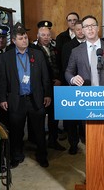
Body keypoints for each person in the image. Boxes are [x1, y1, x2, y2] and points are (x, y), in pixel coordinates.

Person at [65, 15, 104, 185]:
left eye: (93, 25)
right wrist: (72, 79)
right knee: (90, 140)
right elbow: (68, 72)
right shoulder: (76, 51)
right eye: (86, 27)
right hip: (87, 101)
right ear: (82, 30)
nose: (90, 29)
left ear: (97, 28)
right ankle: (92, 172)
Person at [0, 23, 52, 168]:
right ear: (14, 41)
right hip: (16, 99)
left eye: (26, 37)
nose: (24, 40)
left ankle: (42, 156)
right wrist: (2, 98)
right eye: (21, 38)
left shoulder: (37, 54)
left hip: (36, 98)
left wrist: (47, 94)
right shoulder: (6, 57)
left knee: (39, 131)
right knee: (16, 131)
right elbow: (2, 79)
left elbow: (45, 77)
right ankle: (16, 156)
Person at [32, 20, 66, 151]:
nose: (46, 37)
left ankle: (53, 140)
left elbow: (61, 65)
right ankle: (40, 144)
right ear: (38, 36)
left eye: (48, 35)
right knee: (40, 117)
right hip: (41, 89)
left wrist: (59, 80)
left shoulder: (55, 49)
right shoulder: (33, 50)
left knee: (54, 116)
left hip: (56, 86)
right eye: (43, 35)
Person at [62, 19, 86, 155]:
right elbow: (66, 68)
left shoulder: (91, 45)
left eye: (82, 29)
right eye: (78, 29)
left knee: (86, 116)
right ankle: (73, 143)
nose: (80, 31)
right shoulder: (68, 46)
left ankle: (85, 138)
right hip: (71, 87)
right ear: (74, 31)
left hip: (87, 87)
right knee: (71, 119)